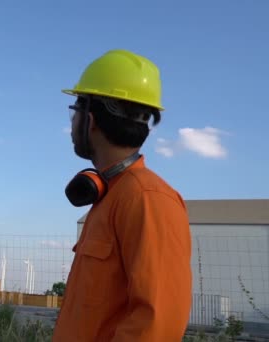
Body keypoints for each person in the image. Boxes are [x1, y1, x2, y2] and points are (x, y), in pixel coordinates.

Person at [52, 49, 192, 341]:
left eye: (73, 111)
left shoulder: (147, 198)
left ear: (89, 119)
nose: (71, 122)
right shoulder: (112, 194)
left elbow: (157, 326)